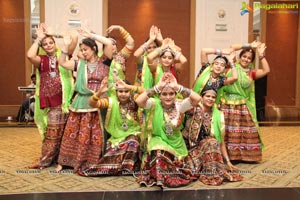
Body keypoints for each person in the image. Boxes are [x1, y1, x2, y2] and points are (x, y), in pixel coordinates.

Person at [134, 73, 201, 188]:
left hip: (176, 144)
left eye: (171, 94)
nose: (168, 97)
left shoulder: (180, 105)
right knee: (159, 153)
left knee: (181, 165)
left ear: (175, 94)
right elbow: (139, 101)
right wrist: (157, 88)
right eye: (164, 94)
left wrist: (178, 87)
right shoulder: (154, 104)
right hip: (158, 139)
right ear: (159, 96)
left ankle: (171, 176)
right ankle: (161, 178)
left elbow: (197, 99)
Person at [26, 23, 77, 169]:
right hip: (50, 102)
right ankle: (47, 159)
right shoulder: (41, 60)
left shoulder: (64, 55)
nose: (48, 45)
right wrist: (38, 39)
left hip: (65, 101)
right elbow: (30, 55)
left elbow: (74, 38)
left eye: (50, 42)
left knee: (65, 133)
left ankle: (62, 160)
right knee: (52, 133)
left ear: (55, 43)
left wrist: (56, 34)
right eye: (45, 44)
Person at [78, 76, 144, 176]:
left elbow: (146, 92)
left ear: (130, 92)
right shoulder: (111, 102)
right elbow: (92, 104)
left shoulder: (135, 100)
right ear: (116, 92)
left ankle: (126, 168)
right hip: (116, 138)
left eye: (126, 91)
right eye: (120, 91)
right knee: (112, 151)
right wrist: (99, 93)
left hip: (133, 133)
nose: (123, 94)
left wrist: (129, 86)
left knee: (133, 142)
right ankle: (118, 169)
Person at [217, 41, 270, 162]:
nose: (246, 59)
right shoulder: (232, 65)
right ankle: (226, 155)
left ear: (251, 61)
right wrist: (251, 46)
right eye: (244, 56)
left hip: (242, 107)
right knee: (227, 130)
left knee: (243, 131)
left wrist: (261, 55)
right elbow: (232, 47)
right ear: (240, 57)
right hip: (226, 104)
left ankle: (244, 156)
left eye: (249, 58)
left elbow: (266, 70)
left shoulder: (251, 73)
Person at [182, 88, 243, 185]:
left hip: (208, 148)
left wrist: (228, 162)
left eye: (213, 97)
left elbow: (221, 141)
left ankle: (211, 173)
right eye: (207, 96)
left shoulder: (218, 115)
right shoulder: (192, 110)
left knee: (212, 141)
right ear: (201, 97)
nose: (210, 99)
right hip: (189, 149)